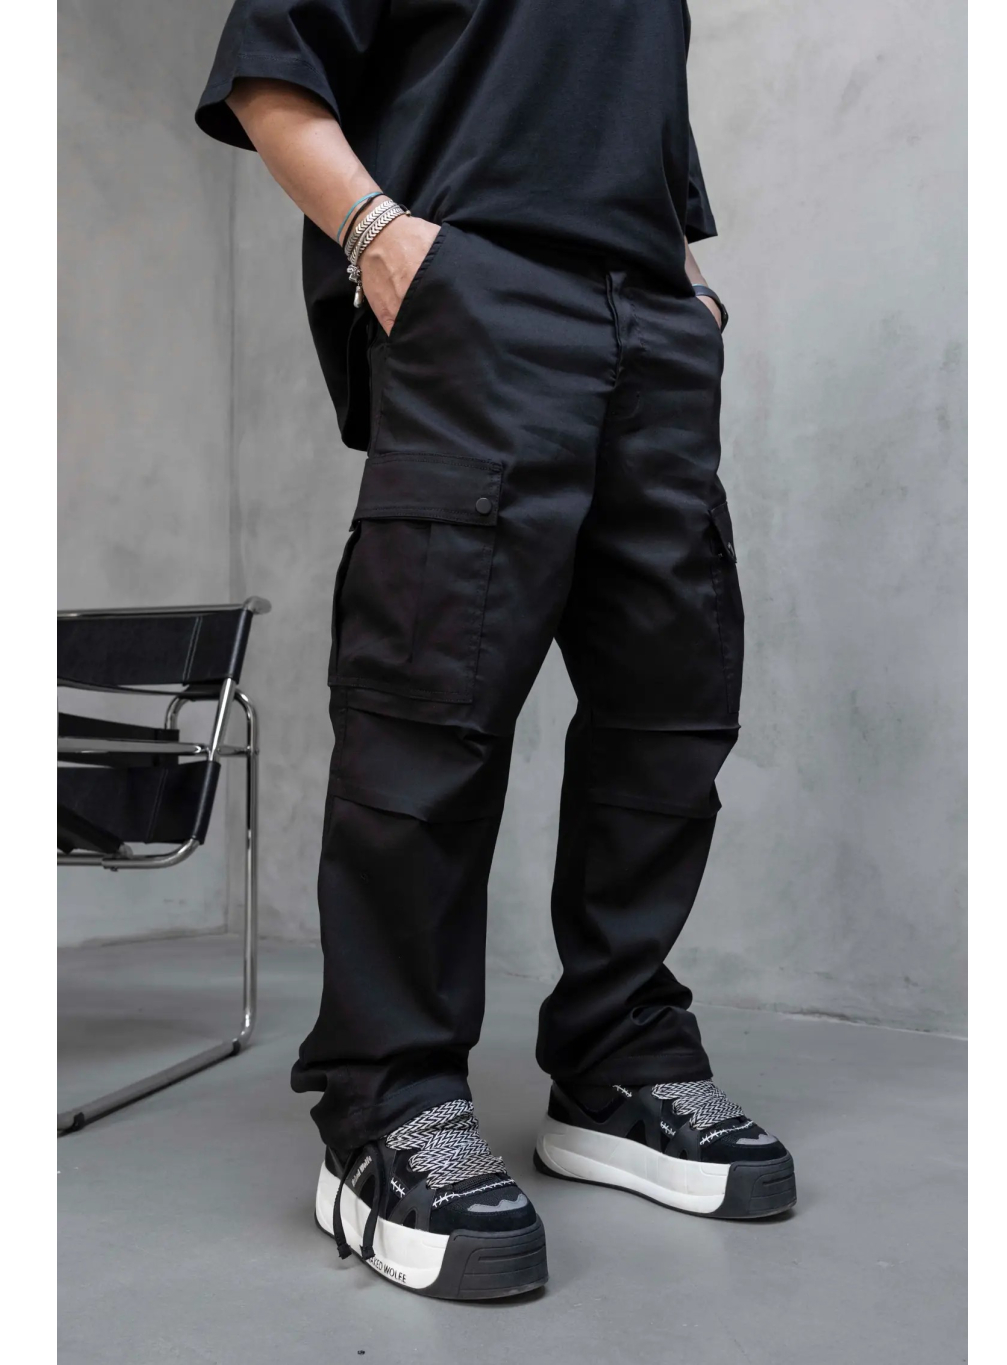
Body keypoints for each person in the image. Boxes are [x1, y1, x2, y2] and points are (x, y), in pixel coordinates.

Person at [196, 0, 796, 1302]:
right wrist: (381, 236)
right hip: (479, 298)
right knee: (431, 706)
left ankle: (617, 1059)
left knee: (671, 707)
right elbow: (269, 72)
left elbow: (643, 150)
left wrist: (688, 296)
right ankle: (388, 1102)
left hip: (653, 323)